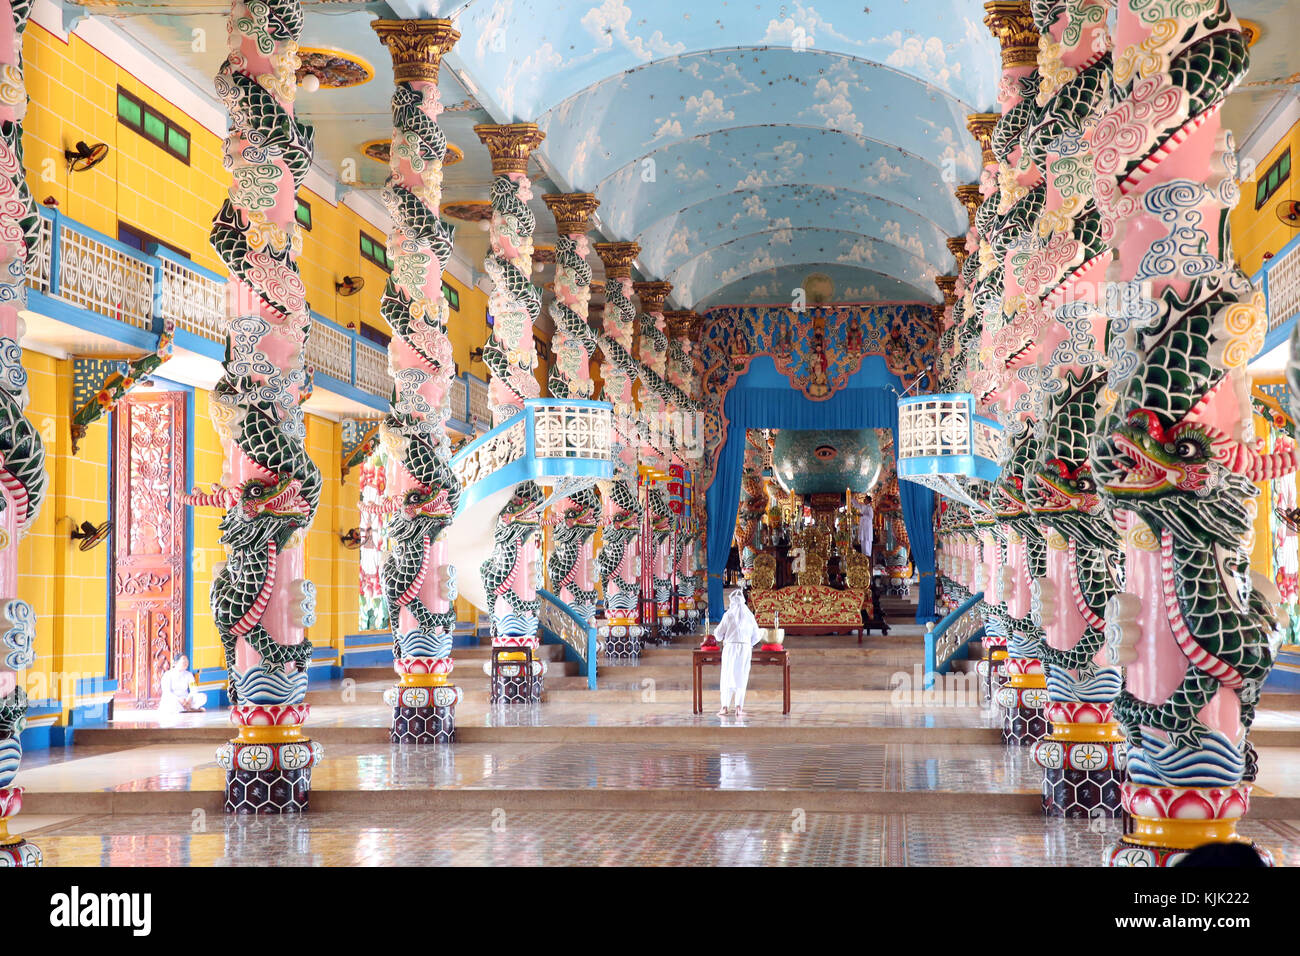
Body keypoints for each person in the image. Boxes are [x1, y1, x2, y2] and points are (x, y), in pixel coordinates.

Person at [714, 588, 762, 716]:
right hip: (745, 649)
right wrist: (748, 644)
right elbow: (757, 635)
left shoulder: (728, 615)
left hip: (730, 648)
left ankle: (724, 706)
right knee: (742, 676)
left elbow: (718, 634)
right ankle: (739, 707)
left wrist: (724, 638)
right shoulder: (749, 615)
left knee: (727, 676)